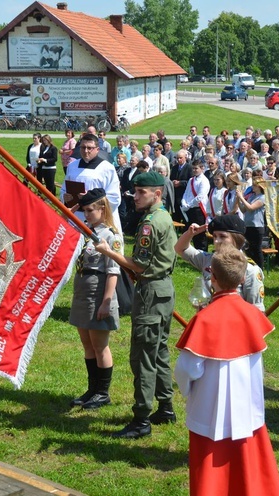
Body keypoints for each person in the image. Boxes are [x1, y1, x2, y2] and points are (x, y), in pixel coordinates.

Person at [175, 247, 279, 496]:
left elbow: (187, 369)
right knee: (248, 470)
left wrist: (185, 390)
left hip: (208, 411)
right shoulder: (252, 315)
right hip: (248, 408)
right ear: (243, 278)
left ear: (212, 278)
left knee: (211, 477)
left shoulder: (204, 319)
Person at [94, 171, 177, 439]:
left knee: (142, 356)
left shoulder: (149, 224)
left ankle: (142, 418)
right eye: (136, 191)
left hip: (151, 292)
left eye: (141, 192)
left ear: (157, 194)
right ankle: (165, 407)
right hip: (164, 290)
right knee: (160, 351)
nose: (136, 196)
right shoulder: (164, 217)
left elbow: (139, 265)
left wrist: (110, 253)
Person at [69, 189, 123, 410]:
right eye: (84, 210)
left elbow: (113, 271)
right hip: (83, 288)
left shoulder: (110, 235)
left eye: (90, 210)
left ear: (102, 208)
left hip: (99, 290)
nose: (86, 214)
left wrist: (106, 302)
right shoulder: (87, 231)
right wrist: (72, 208)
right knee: (87, 344)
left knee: (100, 345)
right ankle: (92, 389)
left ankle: (103, 392)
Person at [175, 214, 265, 311]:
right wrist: (190, 234)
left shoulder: (250, 269)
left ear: (237, 239)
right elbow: (180, 249)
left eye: (222, 236)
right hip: (207, 320)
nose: (217, 241)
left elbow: (256, 310)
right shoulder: (209, 260)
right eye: (214, 236)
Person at [61, 133, 121, 232]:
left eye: (90, 148)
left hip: (99, 219)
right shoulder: (72, 166)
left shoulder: (107, 168)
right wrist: (65, 197)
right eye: (83, 147)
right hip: (77, 217)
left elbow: (114, 198)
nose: (86, 151)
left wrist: (91, 199)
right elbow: (64, 189)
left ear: (97, 149)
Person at [180, 160, 210, 251]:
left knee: (200, 233)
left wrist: (188, 205)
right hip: (189, 209)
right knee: (190, 231)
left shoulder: (204, 181)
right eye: (193, 168)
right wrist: (184, 202)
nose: (194, 170)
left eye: (196, 168)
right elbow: (186, 193)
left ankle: (202, 253)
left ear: (202, 168)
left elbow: (200, 196)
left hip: (198, 210)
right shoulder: (191, 180)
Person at [236, 180, 266, 269]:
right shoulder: (252, 196)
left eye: (254, 185)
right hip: (248, 225)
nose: (252, 187)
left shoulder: (262, 197)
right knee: (248, 250)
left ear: (260, 186)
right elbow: (243, 209)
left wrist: (241, 197)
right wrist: (238, 199)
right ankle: (251, 268)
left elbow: (251, 208)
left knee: (257, 250)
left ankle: (260, 269)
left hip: (257, 226)